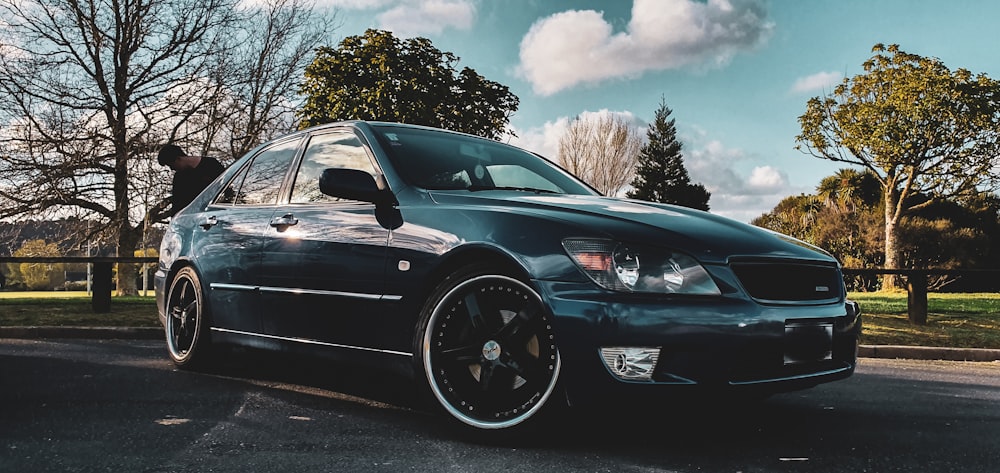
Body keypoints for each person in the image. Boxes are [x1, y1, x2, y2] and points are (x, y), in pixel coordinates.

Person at [157, 144, 225, 216]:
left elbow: (227, 184)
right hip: (194, 218)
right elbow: (177, 205)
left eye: (171, 165)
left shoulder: (211, 164)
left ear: (178, 159)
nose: (172, 169)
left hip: (218, 213)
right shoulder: (179, 179)